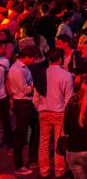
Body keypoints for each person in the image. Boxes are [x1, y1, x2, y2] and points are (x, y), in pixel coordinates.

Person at [36, 47, 74, 179]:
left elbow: (36, 96)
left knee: (44, 143)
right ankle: (59, 171)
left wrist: (39, 107)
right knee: (59, 143)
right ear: (60, 59)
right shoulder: (66, 75)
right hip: (59, 112)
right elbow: (68, 98)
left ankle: (44, 171)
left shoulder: (42, 73)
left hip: (43, 111)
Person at [8, 45, 38, 174]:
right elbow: (24, 90)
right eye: (33, 58)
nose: (34, 61)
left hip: (27, 103)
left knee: (36, 129)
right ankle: (19, 165)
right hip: (22, 103)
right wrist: (33, 86)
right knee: (21, 135)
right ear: (27, 57)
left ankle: (32, 159)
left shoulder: (23, 68)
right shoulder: (17, 70)